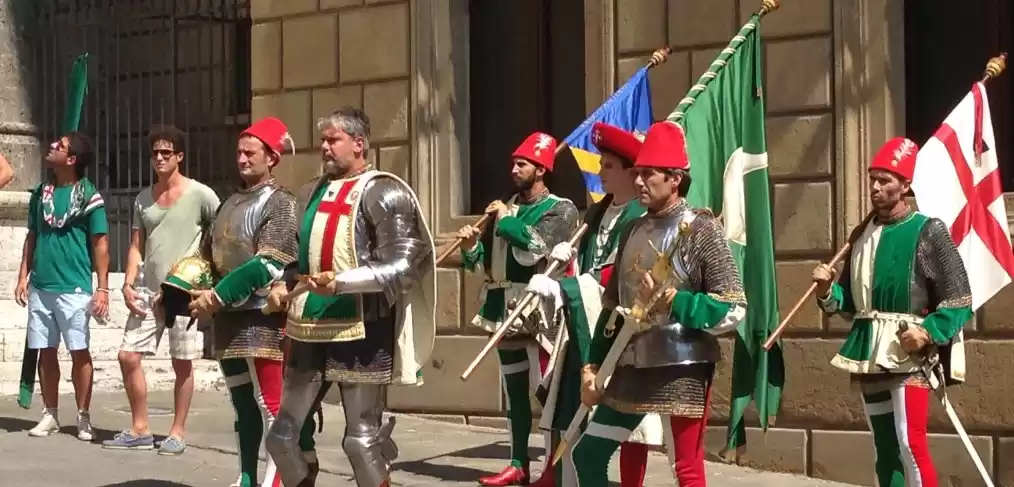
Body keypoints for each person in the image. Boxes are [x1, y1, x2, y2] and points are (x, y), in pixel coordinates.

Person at [263, 106, 436, 487]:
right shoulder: (310, 192)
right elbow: (297, 259)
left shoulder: (385, 191)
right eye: (323, 140)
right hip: (308, 326)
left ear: (358, 144)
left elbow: (404, 265)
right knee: (281, 437)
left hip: (363, 327)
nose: (324, 147)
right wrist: (284, 286)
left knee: (360, 442)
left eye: (333, 139)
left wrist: (341, 283)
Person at [570, 121, 747, 487]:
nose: (638, 182)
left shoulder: (701, 229)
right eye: (636, 174)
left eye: (648, 174)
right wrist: (591, 365)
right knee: (586, 456)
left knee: (686, 470)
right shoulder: (631, 230)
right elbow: (612, 309)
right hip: (630, 359)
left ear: (674, 179)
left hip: (682, 361)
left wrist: (676, 300)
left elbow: (733, 306)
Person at [812, 137, 972, 487]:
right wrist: (827, 291)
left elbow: (959, 298)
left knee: (910, 443)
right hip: (869, 351)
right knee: (884, 448)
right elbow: (852, 306)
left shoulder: (928, 231)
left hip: (908, 353)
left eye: (885, 180)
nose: (875, 187)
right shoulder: (860, 236)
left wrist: (928, 332)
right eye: (873, 179)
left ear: (905, 186)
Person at [525, 122, 662, 487]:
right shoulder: (597, 214)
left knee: (634, 419)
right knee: (570, 399)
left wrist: (564, 287)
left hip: (625, 327)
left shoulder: (640, 219)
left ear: (632, 173)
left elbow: (622, 276)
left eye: (608, 166)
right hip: (585, 322)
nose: (599, 172)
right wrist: (564, 265)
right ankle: (562, 477)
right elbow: (589, 264)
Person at [456, 132, 580, 486]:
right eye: (513, 163)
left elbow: (536, 246)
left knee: (547, 393)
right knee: (514, 394)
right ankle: (517, 463)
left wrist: (507, 219)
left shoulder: (562, 208)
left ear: (540, 169)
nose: (514, 169)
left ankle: (554, 468)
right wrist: (470, 247)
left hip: (539, 308)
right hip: (503, 308)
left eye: (521, 164)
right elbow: (483, 262)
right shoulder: (506, 204)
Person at [186, 117, 301, 487]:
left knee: (272, 405)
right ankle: (248, 476)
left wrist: (217, 297)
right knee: (241, 403)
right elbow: (209, 253)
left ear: (272, 157)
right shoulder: (229, 202)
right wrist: (177, 287)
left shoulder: (281, 203)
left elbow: (268, 262)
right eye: (239, 151)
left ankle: (276, 479)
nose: (242, 158)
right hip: (228, 316)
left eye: (250, 152)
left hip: (263, 315)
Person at [101, 125, 220, 454]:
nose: (159, 158)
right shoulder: (143, 198)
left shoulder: (202, 195)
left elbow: (219, 236)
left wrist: (207, 280)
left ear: (179, 156)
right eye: (155, 153)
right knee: (127, 355)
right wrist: (126, 283)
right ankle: (139, 427)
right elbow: (137, 246)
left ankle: (177, 432)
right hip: (148, 291)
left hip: (184, 293)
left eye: (166, 153)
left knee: (182, 362)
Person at [16, 132, 109, 440]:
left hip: (74, 287)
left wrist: (103, 288)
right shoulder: (40, 192)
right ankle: (50, 414)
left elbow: (100, 244)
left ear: (72, 160)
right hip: (42, 286)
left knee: (79, 351)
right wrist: (22, 277)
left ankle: (83, 417)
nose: (52, 146)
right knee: (45, 351)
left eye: (60, 146)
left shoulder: (88, 195)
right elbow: (32, 236)